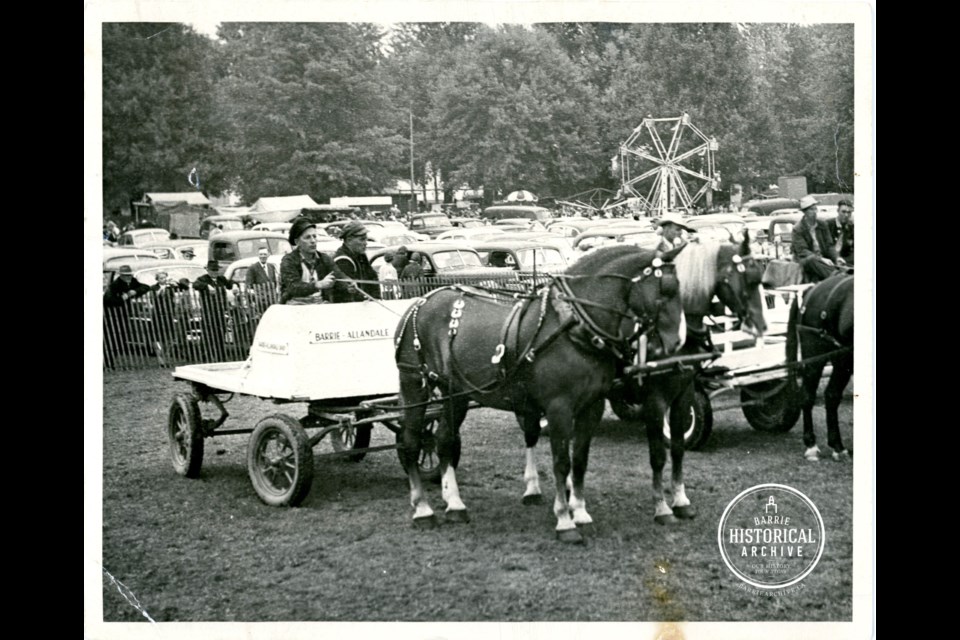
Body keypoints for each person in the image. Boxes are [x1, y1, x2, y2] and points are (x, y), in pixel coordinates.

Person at [280, 217, 349, 305]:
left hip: (318, 305)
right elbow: (293, 287)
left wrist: (349, 285)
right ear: (297, 242)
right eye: (307, 237)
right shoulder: (289, 260)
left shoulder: (324, 258)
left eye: (314, 236)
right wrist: (318, 284)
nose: (313, 241)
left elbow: (339, 275)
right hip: (295, 307)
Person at [104, 264, 151, 366]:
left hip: (123, 314)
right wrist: (122, 299)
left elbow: (146, 287)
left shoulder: (132, 281)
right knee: (112, 339)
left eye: (129, 275)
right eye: (125, 275)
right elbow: (107, 300)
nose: (128, 277)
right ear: (120, 275)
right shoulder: (114, 285)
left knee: (121, 338)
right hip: (111, 316)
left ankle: (111, 361)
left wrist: (135, 291)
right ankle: (108, 362)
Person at [193, 260, 236, 361]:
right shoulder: (203, 279)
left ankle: (221, 356)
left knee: (221, 333)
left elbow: (230, 283)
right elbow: (195, 285)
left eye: (216, 270)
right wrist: (207, 286)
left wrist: (234, 286)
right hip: (208, 312)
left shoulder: (221, 279)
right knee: (208, 334)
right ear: (207, 270)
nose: (214, 272)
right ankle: (206, 356)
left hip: (220, 311)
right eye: (212, 270)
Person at [792, 195, 839, 282]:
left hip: (823, 258)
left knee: (840, 260)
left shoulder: (822, 224)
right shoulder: (798, 228)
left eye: (815, 209)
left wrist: (836, 257)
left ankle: (840, 274)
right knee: (811, 260)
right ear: (805, 212)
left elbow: (829, 245)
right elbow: (803, 251)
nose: (814, 212)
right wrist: (821, 259)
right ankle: (836, 277)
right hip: (807, 260)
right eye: (811, 209)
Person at [333, 221, 381, 302]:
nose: (366, 243)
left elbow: (373, 278)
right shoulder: (343, 261)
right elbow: (348, 292)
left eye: (366, 239)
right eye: (362, 240)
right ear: (349, 240)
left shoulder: (361, 255)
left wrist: (376, 298)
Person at [245, 247, 279, 313]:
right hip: (260, 302)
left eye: (264, 254)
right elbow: (248, 286)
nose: (263, 256)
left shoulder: (271, 267)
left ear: (268, 255)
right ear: (258, 255)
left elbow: (274, 283)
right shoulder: (252, 268)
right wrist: (256, 297)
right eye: (261, 254)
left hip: (272, 300)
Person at [833, 199, 854, 266]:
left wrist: (845, 260)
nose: (846, 215)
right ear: (838, 211)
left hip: (844, 261)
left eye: (849, 212)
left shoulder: (852, 227)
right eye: (843, 212)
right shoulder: (827, 224)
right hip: (829, 260)